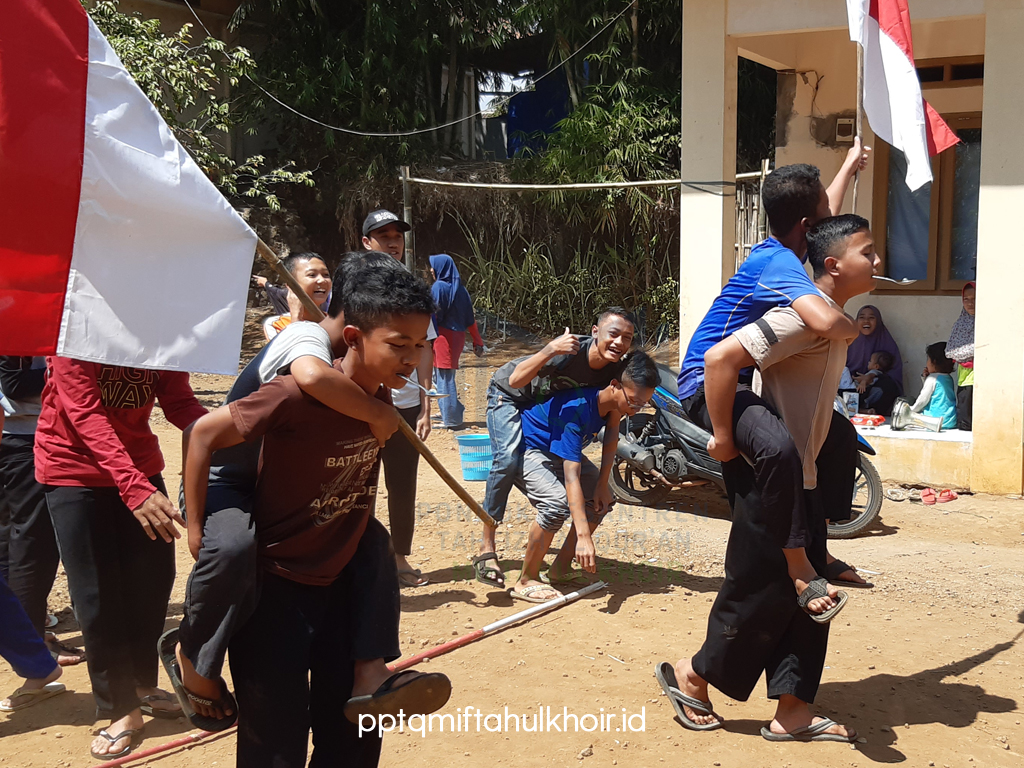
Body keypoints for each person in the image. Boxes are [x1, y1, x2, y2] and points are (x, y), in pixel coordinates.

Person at [186, 264, 450, 768]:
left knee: (354, 734)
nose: (412, 358)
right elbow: (201, 434)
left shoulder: (378, 395)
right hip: (275, 590)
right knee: (274, 742)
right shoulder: (293, 391)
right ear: (353, 336)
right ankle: (194, 658)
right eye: (399, 345)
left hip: (342, 580)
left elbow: (356, 482)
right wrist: (197, 529)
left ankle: (374, 670)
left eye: (419, 346)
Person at [658, 214, 878, 742]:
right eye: (867, 252)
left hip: (802, 477)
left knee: (810, 595)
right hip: (768, 479)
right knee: (758, 589)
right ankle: (693, 675)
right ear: (833, 264)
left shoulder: (830, 316)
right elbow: (718, 358)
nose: (876, 261)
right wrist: (724, 437)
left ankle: (794, 710)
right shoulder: (798, 319)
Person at [676, 145, 872, 590]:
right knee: (778, 449)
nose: (830, 214)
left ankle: (819, 544)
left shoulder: (789, 248)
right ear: (808, 225)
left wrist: (847, 166)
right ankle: (797, 564)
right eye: (823, 210)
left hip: (739, 376)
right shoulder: (778, 263)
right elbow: (823, 320)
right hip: (706, 382)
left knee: (838, 435)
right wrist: (853, 326)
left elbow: (828, 210)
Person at [34, 358, 207, 760]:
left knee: (152, 580)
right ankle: (118, 707)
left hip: (139, 469)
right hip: (72, 472)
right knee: (97, 595)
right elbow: (84, 412)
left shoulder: (156, 334)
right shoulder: (77, 328)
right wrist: (134, 488)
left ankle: (143, 686)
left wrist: (239, 432)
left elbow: (179, 402)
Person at [474, 308, 636, 589]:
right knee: (508, 458)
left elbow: (612, 423)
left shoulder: (615, 370)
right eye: (614, 334)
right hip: (509, 395)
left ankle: (559, 566)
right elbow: (514, 381)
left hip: (546, 414)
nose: (620, 343)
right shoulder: (568, 351)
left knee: (589, 491)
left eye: (627, 338)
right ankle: (486, 547)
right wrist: (550, 349)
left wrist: (602, 482)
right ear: (595, 332)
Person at [509, 351, 658, 603]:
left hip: (557, 451)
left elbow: (611, 439)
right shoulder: (576, 411)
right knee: (556, 504)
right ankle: (526, 578)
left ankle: (559, 569)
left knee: (603, 501)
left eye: (643, 404)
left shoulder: (615, 405)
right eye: (633, 401)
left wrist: (602, 484)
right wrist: (583, 536)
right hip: (527, 448)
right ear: (615, 386)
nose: (636, 409)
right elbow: (571, 477)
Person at [362, 209, 434, 586]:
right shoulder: (355, 288)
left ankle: (399, 557)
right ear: (366, 242)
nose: (392, 241)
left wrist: (426, 405)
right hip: (359, 404)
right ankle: (357, 558)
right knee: (357, 484)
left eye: (397, 235)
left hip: (404, 405)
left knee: (402, 484)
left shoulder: (413, 289)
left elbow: (426, 348)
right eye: (382, 235)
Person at [0, 356, 84, 665]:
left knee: (18, 540)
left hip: (28, 434)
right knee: (34, 543)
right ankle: (34, 646)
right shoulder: (22, 320)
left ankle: (29, 637)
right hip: (25, 438)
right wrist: (79, 373)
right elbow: (15, 385)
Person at [429, 254, 485, 429]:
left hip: (443, 337)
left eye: (433, 266)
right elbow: (470, 319)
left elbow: (433, 314)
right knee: (440, 376)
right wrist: (478, 341)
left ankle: (451, 420)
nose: (431, 270)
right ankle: (449, 410)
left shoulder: (438, 287)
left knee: (444, 378)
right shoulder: (461, 289)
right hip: (457, 337)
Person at [261, 253, 332, 341]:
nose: (322, 280)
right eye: (312, 275)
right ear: (291, 285)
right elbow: (292, 353)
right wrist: (296, 319)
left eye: (326, 275)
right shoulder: (277, 324)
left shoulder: (337, 322)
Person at [847, 304, 904, 395]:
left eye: (871, 318)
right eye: (862, 317)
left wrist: (871, 377)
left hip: (874, 387)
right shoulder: (848, 341)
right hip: (849, 386)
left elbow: (894, 375)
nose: (866, 321)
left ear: (878, 321)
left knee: (887, 386)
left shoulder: (886, 343)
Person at [946, 281, 975, 431]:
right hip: (964, 376)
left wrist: (962, 352)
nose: (970, 304)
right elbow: (949, 351)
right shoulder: (960, 324)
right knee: (965, 413)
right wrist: (973, 350)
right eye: (966, 299)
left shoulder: (987, 323)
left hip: (982, 375)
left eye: (975, 299)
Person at [912, 342, 958, 430]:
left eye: (928, 360)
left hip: (934, 421)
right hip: (950, 421)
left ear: (934, 362)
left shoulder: (932, 379)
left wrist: (911, 410)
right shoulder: (948, 378)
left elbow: (923, 400)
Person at [856, 351, 900, 416]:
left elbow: (870, 376)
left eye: (870, 361)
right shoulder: (882, 376)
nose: (868, 362)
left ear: (876, 366)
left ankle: (862, 410)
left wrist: (863, 381)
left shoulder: (874, 372)